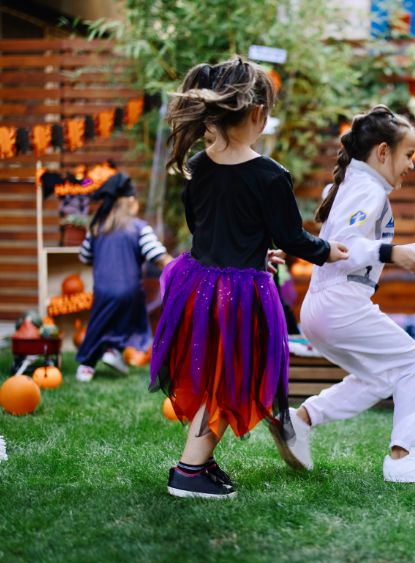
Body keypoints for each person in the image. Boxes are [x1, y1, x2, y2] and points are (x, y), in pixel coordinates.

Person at [149, 56, 348, 499]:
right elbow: (293, 237)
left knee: (212, 376)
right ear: (258, 114)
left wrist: (257, 251)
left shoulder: (199, 164)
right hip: (239, 295)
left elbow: (203, 224)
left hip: (197, 286)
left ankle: (198, 462)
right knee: (232, 378)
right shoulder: (270, 175)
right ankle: (189, 471)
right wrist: (329, 250)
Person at [278, 105, 415, 483]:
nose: (411, 164)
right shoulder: (368, 189)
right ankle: (403, 457)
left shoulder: (350, 185)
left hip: (322, 306)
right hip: (340, 302)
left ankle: (302, 419)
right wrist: (395, 253)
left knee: (378, 379)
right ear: (381, 152)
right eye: (408, 155)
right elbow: (343, 245)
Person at [76, 172, 171, 382]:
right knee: (131, 319)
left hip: (102, 291)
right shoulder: (139, 228)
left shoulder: (96, 228)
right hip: (130, 291)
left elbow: (84, 257)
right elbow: (156, 255)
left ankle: (87, 365)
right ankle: (109, 351)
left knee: (99, 324)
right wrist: (178, 267)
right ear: (129, 202)